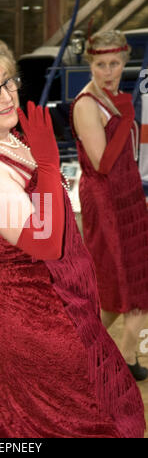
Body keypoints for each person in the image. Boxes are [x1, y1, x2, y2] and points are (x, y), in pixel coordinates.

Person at [0, 38, 145, 438]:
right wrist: (50, 166)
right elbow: (44, 242)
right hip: (30, 309)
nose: (6, 96)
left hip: (50, 296)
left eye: (9, 82)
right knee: (78, 418)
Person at [71, 30, 148, 381]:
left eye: (115, 63)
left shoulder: (114, 96)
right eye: (100, 64)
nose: (108, 71)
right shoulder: (88, 104)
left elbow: (125, 161)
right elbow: (102, 162)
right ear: (90, 64)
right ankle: (87, 349)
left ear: (125, 61)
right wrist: (127, 118)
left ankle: (122, 355)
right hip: (105, 203)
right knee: (122, 287)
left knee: (130, 286)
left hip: (128, 197)